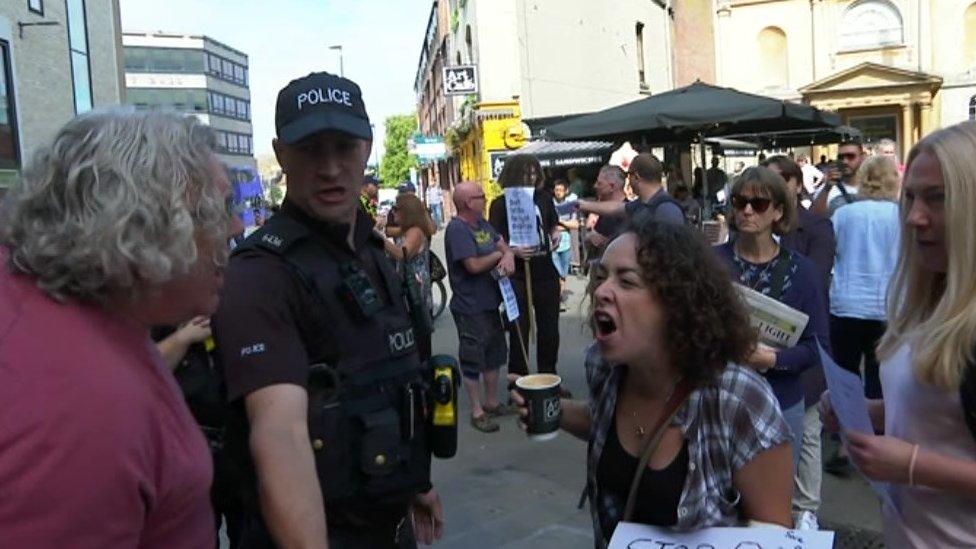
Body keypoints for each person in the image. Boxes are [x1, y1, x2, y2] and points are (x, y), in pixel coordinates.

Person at [212, 71, 443, 549]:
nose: (331, 167)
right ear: (280, 155)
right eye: (311, 149)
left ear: (368, 146)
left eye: (345, 147)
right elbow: (281, 437)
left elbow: (390, 379)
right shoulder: (260, 274)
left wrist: (414, 484)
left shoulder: (371, 250)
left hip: (388, 518)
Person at [0, 109, 241, 547]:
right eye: (218, 211)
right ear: (147, 222)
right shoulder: (81, 397)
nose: (237, 228)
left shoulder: (52, 311)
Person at [512, 220, 793, 547]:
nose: (601, 291)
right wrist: (550, 409)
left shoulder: (739, 398)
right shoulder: (604, 367)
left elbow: (774, 537)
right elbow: (602, 420)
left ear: (675, 301)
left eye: (626, 281)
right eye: (600, 277)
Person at [821, 122, 976, 548]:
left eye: (938, 199)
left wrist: (911, 464)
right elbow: (951, 417)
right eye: (910, 197)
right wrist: (872, 412)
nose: (913, 217)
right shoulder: (931, 297)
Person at [714, 167, 830, 472]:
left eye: (759, 204)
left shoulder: (802, 272)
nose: (747, 210)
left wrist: (770, 358)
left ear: (778, 211)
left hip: (780, 400)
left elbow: (818, 345)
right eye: (740, 202)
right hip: (718, 396)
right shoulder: (710, 263)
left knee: (773, 506)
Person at [761, 155, 834, 530]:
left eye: (772, 185)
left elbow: (815, 281)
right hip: (756, 356)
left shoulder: (816, 227)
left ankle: (806, 510)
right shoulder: (751, 226)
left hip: (802, 348)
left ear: (794, 184)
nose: (758, 202)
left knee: (806, 431)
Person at [155, 318, 244, 548]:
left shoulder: (238, 304)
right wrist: (183, 338)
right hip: (186, 451)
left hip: (240, 445)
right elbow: (140, 369)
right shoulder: (155, 310)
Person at [445, 181, 516, 433]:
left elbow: (501, 243)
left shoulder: (482, 224)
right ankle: (477, 410)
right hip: (469, 304)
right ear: (467, 203)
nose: (485, 199)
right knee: (474, 356)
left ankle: (492, 401)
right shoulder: (458, 229)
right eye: (480, 196)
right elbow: (473, 266)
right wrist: (500, 256)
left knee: (495, 352)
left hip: (490, 301)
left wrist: (506, 253)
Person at [489, 154, 564, 384]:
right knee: (519, 327)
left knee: (549, 328)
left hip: (544, 268)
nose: (531, 177)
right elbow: (495, 237)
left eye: (534, 173)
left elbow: (552, 224)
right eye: (526, 173)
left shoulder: (543, 198)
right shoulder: (501, 204)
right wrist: (512, 251)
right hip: (518, 274)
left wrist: (555, 234)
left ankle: (548, 378)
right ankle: (518, 381)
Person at [381, 193, 438, 361]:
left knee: (420, 340)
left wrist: (381, 241)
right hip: (413, 290)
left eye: (396, 210)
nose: (394, 213)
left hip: (416, 291)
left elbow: (402, 254)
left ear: (406, 212)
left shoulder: (415, 231)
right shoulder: (409, 229)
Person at [579, 153, 684, 229]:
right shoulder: (642, 204)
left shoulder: (666, 209)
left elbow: (673, 253)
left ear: (636, 177)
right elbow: (616, 208)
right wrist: (581, 205)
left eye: (628, 175)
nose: (627, 180)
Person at [812, 139, 866, 217]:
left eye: (850, 156)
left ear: (862, 157)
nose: (845, 161)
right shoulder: (827, 190)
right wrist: (827, 188)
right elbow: (816, 219)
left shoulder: (874, 187)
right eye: (841, 157)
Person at [584, 165, 629, 255]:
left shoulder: (628, 212)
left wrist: (603, 240)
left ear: (612, 187)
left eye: (599, 183)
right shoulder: (604, 211)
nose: (595, 186)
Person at [551, 179, 579, 304]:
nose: (558, 193)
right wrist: (565, 225)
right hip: (553, 244)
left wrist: (561, 224)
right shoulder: (550, 204)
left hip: (566, 244)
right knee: (557, 271)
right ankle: (557, 297)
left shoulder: (570, 205)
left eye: (561, 190)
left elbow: (575, 224)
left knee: (563, 272)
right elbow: (549, 225)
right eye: (556, 190)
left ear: (566, 191)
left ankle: (560, 296)